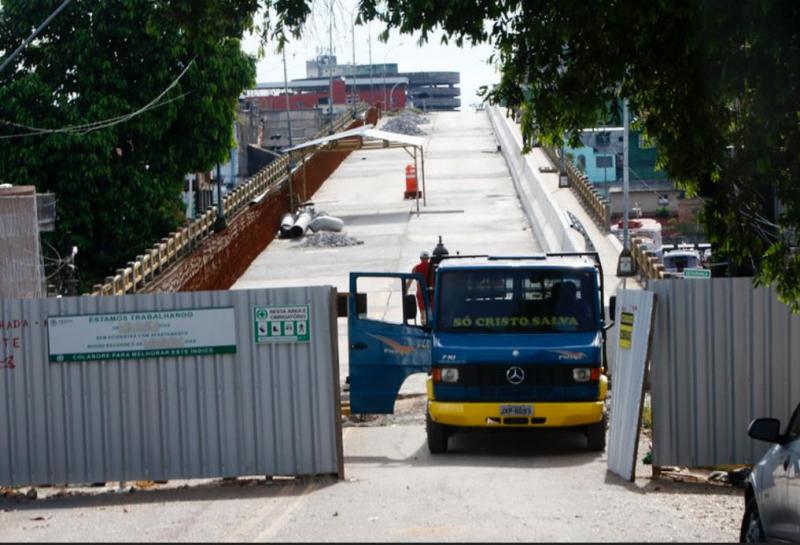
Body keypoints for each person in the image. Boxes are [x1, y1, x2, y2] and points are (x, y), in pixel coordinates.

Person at [406, 250, 432, 322]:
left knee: (423, 314)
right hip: (431, 293)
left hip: (421, 293)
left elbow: (409, 282)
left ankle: (423, 324)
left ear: (420, 258)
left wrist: (405, 290)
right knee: (432, 313)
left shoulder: (416, 268)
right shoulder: (433, 267)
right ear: (428, 258)